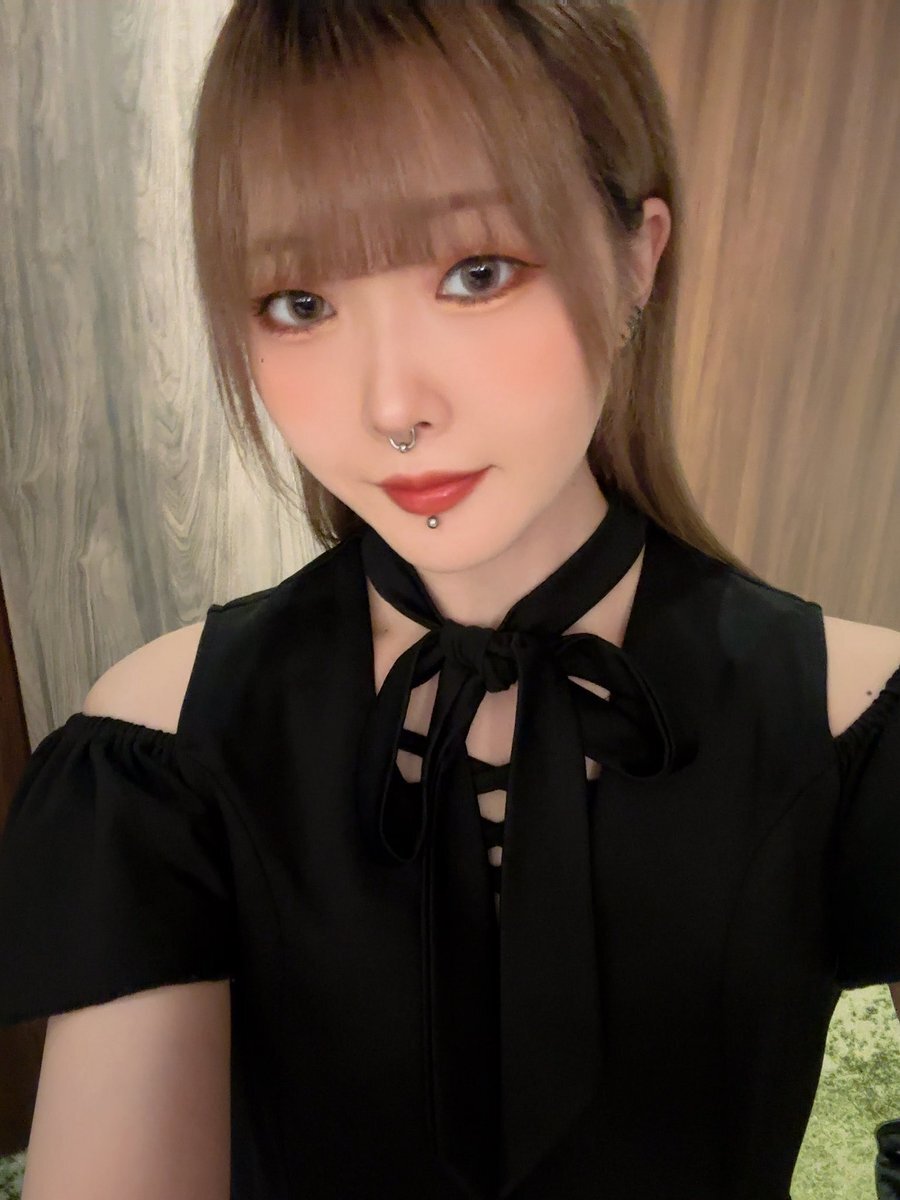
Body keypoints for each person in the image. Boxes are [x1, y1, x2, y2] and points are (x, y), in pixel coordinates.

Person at [0, 2, 897, 1198]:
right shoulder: (160, 749)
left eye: (476, 273)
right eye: (299, 302)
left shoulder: (858, 720)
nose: (391, 406)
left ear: (637, 257)